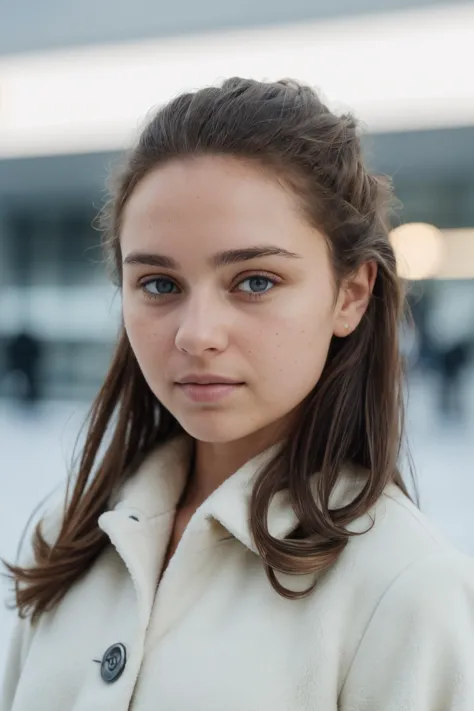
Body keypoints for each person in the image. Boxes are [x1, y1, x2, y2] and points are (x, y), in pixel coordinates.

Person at [1, 77, 474, 711]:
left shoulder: (404, 589)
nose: (196, 336)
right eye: (159, 285)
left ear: (350, 294)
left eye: (254, 281)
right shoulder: (74, 534)